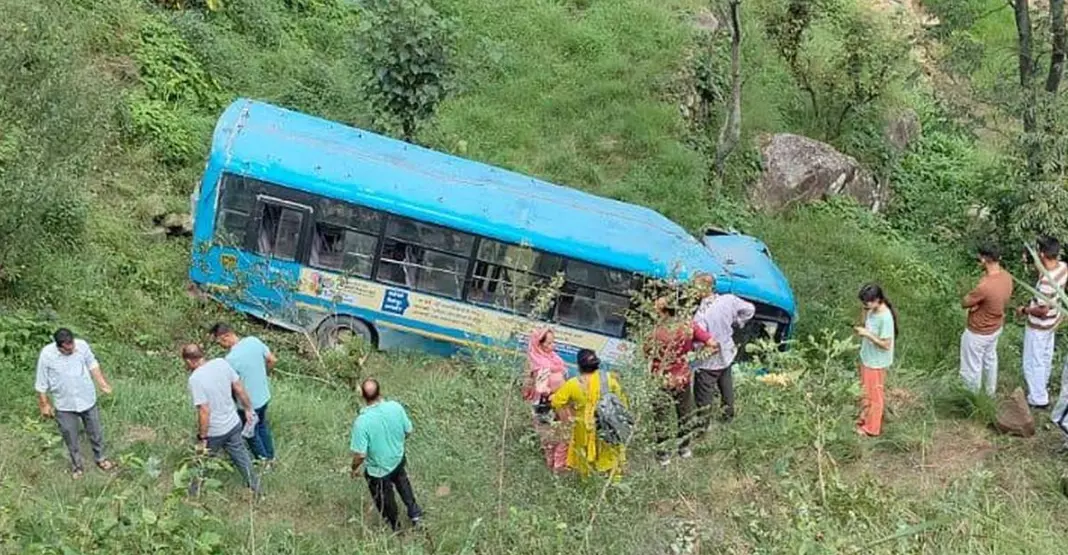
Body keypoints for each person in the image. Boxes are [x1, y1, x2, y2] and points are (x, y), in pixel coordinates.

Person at [34, 328, 115, 478]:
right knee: (70, 436)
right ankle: (77, 466)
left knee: (96, 431)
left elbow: (92, 364)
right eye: (67, 349)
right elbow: (41, 382)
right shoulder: (47, 355)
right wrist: (44, 404)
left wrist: (102, 383)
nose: (71, 350)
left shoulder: (82, 345)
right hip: (64, 404)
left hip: (87, 399)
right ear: (59, 346)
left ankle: (101, 458)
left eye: (72, 346)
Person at [646, 296, 717, 465]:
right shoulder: (688, 327)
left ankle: (663, 454)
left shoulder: (656, 333)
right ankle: (683, 448)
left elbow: (646, 353)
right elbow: (713, 344)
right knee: (685, 414)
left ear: (664, 311)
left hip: (660, 380)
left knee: (661, 417)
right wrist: (694, 359)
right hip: (682, 379)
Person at [182, 343, 260, 494]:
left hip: (215, 431)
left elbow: (204, 411)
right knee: (242, 458)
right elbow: (239, 388)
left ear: (189, 361)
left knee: (201, 461)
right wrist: (248, 409)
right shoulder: (221, 363)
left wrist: (203, 438)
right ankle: (257, 489)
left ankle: (192, 493)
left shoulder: (195, 379)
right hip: (233, 423)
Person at [350, 378, 422, 532]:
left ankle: (396, 528)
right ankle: (415, 514)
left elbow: (360, 455)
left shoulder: (361, 422)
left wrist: (354, 468)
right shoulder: (395, 407)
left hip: (378, 470)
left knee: (385, 500)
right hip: (398, 458)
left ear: (362, 396)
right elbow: (408, 431)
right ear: (380, 392)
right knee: (403, 483)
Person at [550, 349, 626, 477]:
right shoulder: (609, 380)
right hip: (607, 425)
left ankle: (587, 482)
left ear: (579, 366)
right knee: (610, 457)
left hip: (583, 427)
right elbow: (622, 402)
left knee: (584, 459)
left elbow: (556, 402)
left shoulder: (573, 384)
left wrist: (567, 417)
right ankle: (613, 481)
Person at [691, 273, 755, 424]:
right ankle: (727, 417)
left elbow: (699, 338)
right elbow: (750, 309)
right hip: (727, 354)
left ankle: (703, 426)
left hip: (708, 362)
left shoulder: (701, 315)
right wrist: (738, 322)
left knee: (704, 396)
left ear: (701, 289)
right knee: (726, 388)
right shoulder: (729, 300)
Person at [211, 323, 277, 463]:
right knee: (262, 425)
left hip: (247, 404)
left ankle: (263, 461)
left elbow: (235, 387)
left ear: (226, 337)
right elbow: (272, 360)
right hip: (264, 396)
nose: (220, 346)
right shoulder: (253, 341)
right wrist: (263, 374)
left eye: (219, 342)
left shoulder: (230, 360)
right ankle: (271, 457)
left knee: (251, 433)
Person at [1016, 237, 1068, 409]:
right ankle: (1041, 389)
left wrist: (1025, 310)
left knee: (1033, 361)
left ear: (1043, 254)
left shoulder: (1046, 282)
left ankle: (1038, 398)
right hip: (1053, 322)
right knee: (1045, 358)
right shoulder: (1063, 268)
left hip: (1039, 326)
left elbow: (1042, 311)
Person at [960, 244, 1014, 397]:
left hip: (978, 332)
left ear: (983, 259)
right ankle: (990, 393)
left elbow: (965, 302)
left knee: (971, 367)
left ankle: (972, 398)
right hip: (995, 327)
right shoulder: (1007, 277)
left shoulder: (985, 286)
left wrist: (976, 305)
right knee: (990, 359)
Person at [521, 327, 569, 474]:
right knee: (549, 437)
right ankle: (552, 467)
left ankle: (559, 466)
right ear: (539, 344)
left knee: (564, 434)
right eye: (548, 343)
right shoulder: (539, 363)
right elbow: (541, 388)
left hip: (560, 403)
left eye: (553, 342)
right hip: (546, 404)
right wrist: (554, 393)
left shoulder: (554, 359)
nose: (552, 346)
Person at [853, 284, 898, 437]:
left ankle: (872, 428)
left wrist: (867, 334)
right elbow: (865, 324)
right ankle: (864, 418)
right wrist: (865, 314)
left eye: (868, 302)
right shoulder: (871, 310)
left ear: (877, 300)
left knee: (874, 395)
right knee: (865, 392)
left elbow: (886, 344)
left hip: (876, 362)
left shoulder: (885, 317)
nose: (865, 305)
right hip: (867, 357)